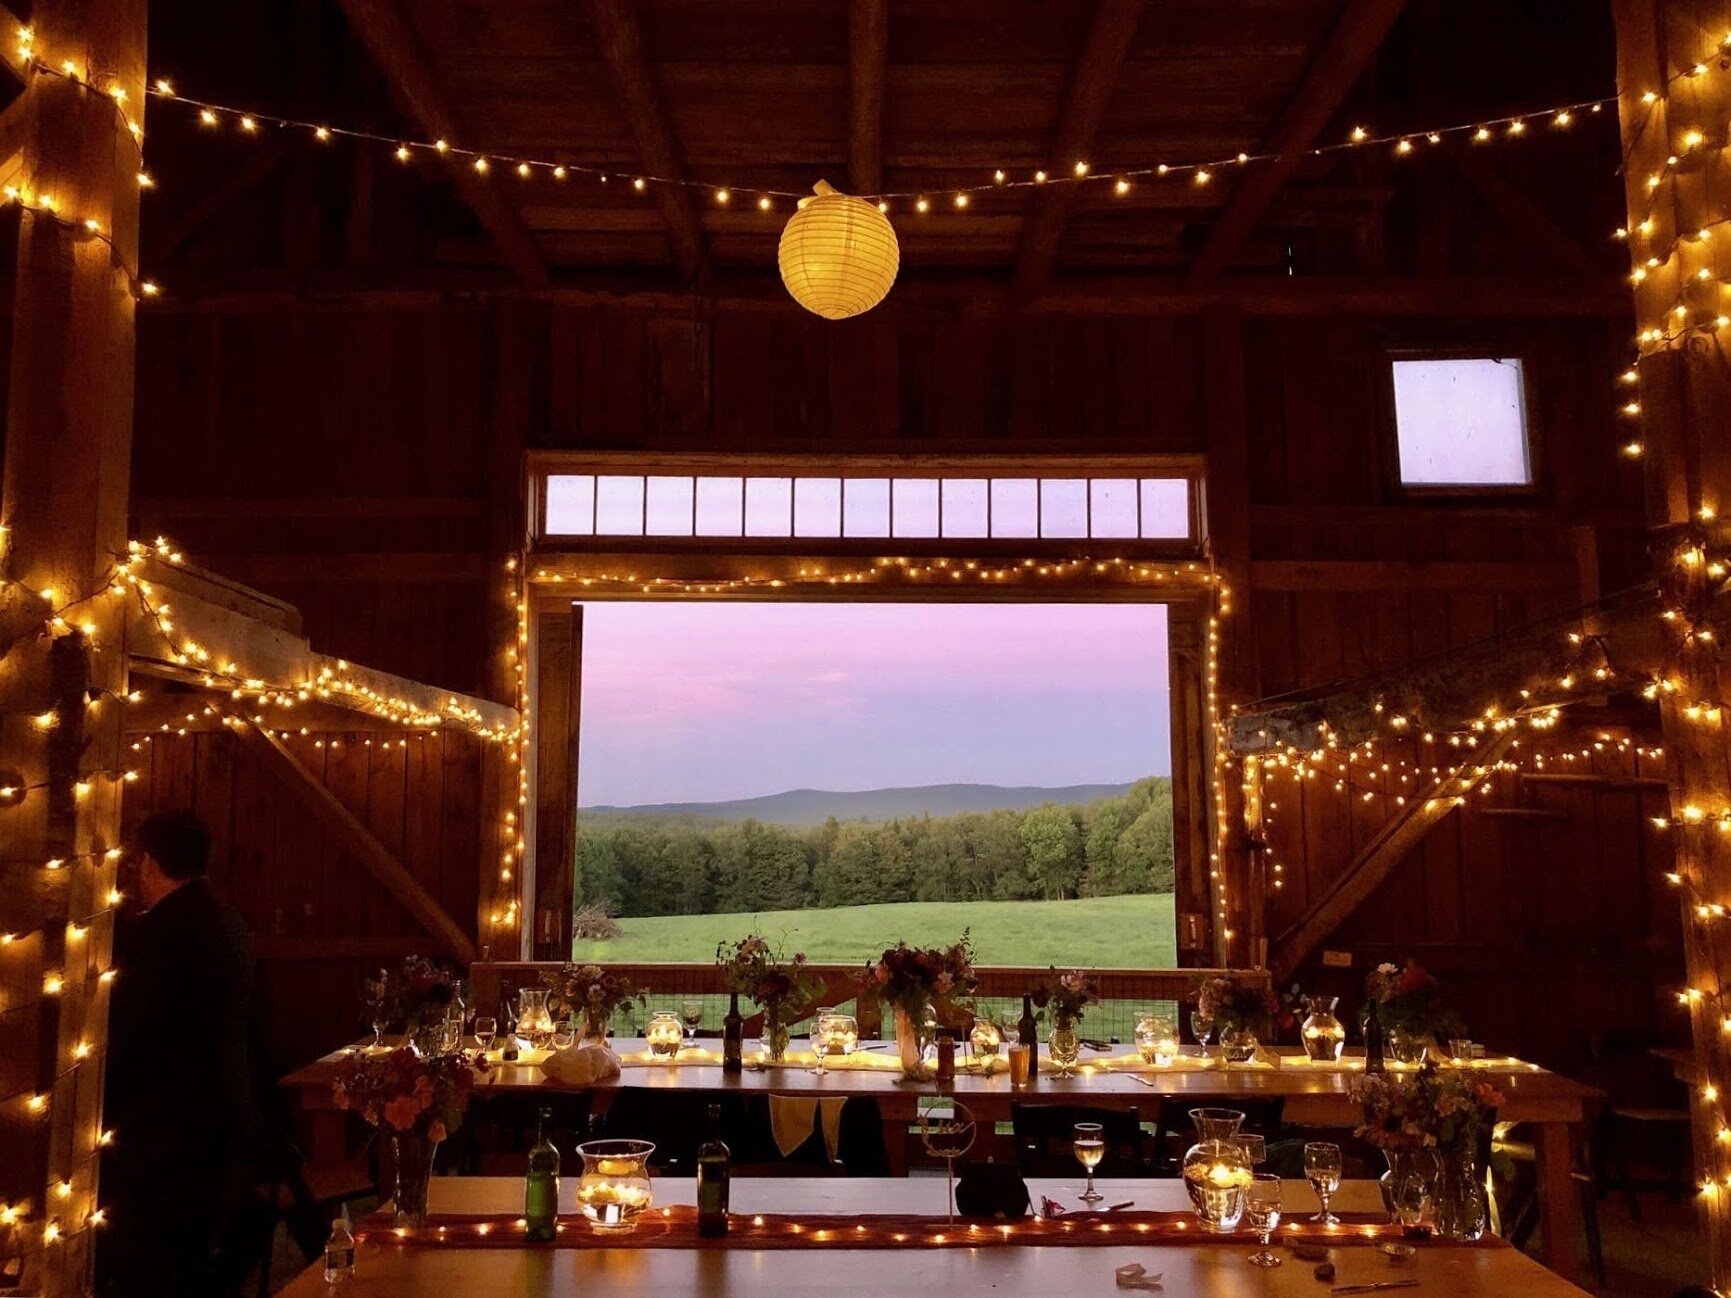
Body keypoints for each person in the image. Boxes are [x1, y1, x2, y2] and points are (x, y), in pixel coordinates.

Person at [99, 809, 254, 1298]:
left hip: (167, 1126)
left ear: (147, 864)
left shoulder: (161, 935)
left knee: (157, 1264)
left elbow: (133, 1031)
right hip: (220, 1109)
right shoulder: (224, 919)